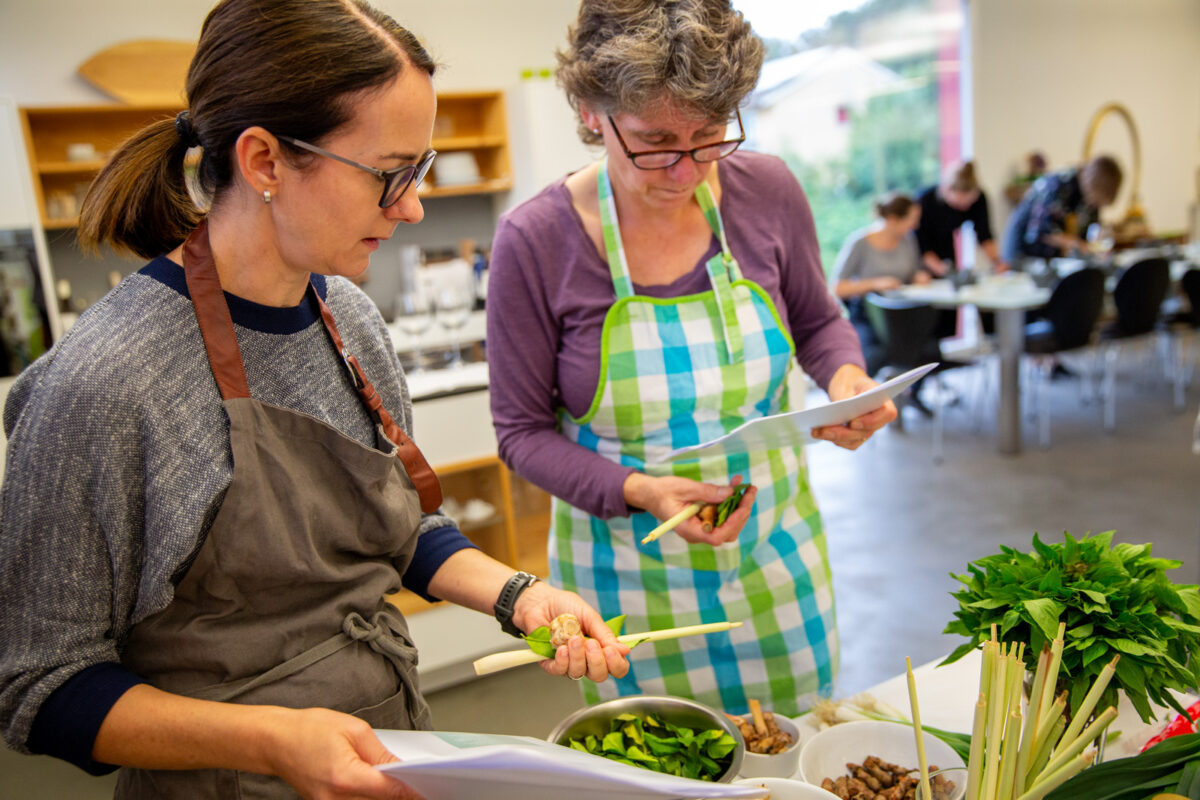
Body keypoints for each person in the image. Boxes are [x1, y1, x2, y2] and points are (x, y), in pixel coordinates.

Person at [0, 2, 629, 798]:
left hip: (389, 751)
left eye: (421, 170)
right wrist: (272, 741)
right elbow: (39, 683)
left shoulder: (347, 318)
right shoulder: (105, 385)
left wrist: (522, 596)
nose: (412, 207)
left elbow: (401, 529)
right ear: (264, 161)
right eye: (389, 174)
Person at [485, 0, 897, 719]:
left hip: (774, 557)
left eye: (709, 138)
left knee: (797, 752)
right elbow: (521, 434)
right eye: (655, 143)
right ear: (590, 111)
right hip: (623, 582)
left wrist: (847, 378)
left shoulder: (765, 191)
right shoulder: (536, 240)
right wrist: (642, 490)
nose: (684, 172)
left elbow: (817, 320)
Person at [832, 191, 932, 378]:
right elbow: (838, 287)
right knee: (872, 356)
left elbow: (912, 272)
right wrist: (876, 283)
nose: (916, 225)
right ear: (894, 219)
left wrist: (918, 277)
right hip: (868, 314)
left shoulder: (908, 241)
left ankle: (911, 390)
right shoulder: (860, 242)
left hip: (902, 314)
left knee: (927, 349)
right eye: (911, 219)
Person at [1000, 154, 1123, 265]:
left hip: (1048, 259)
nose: (1094, 205)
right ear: (1093, 185)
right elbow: (1044, 230)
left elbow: (1090, 234)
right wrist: (1076, 244)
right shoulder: (1059, 184)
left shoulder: (1088, 199)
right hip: (1023, 250)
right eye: (1096, 200)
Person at [915, 160, 1008, 277]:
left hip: (947, 247)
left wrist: (997, 262)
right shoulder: (925, 201)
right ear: (946, 190)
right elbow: (922, 243)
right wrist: (942, 270)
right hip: (921, 256)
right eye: (959, 204)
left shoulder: (979, 199)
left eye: (968, 203)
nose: (964, 208)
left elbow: (984, 233)